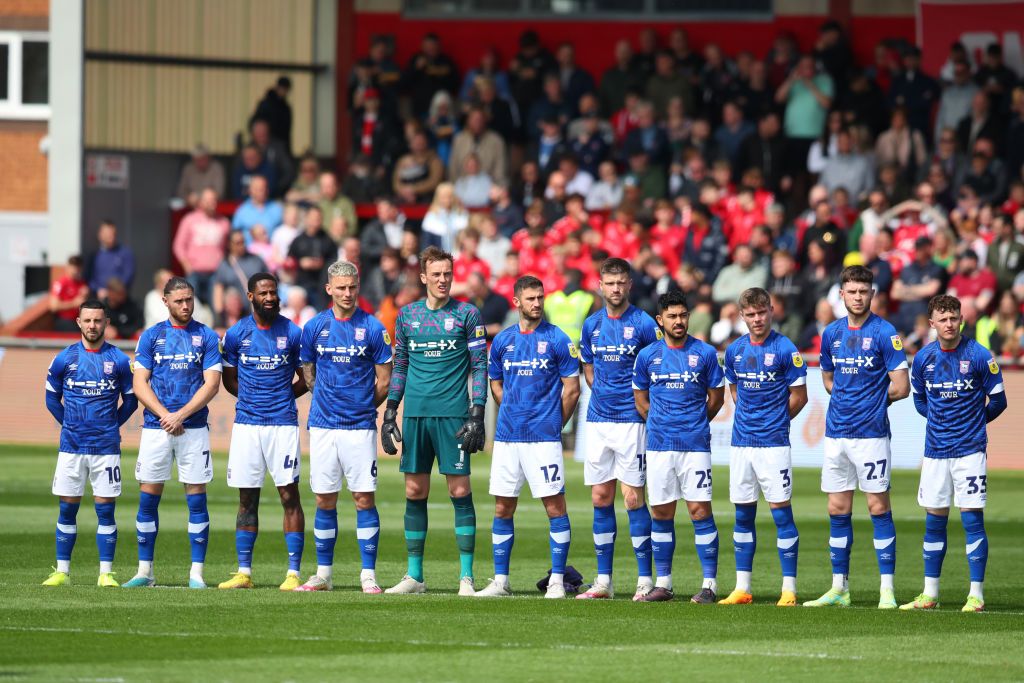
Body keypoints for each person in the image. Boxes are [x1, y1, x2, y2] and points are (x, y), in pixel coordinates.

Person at [381, 246, 488, 596]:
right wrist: (391, 410)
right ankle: (415, 576)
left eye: (447, 273)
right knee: (414, 490)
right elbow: (400, 365)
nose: (443, 280)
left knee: (459, 490)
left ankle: (466, 577)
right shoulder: (407, 315)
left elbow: (479, 366)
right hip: (415, 414)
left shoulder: (467, 314)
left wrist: (477, 411)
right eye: (436, 274)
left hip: (453, 415)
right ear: (423, 277)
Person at [805, 265, 910, 609]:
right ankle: (840, 588)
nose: (858, 297)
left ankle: (886, 591)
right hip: (836, 434)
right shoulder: (832, 333)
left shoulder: (885, 332)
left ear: (872, 294)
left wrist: (873, 401)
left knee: (878, 506)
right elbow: (828, 380)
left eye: (863, 291)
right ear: (841, 295)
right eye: (852, 291)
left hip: (871, 435)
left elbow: (902, 386)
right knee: (837, 507)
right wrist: (850, 400)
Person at [474, 276, 581, 598]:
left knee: (555, 507)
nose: (537, 303)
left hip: (543, 440)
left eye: (540, 297)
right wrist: (510, 408)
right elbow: (495, 382)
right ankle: (501, 581)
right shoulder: (504, 341)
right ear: (517, 302)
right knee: (503, 508)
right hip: (507, 438)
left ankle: (559, 581)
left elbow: (572, 389)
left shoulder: (559, 339)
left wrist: (552, 424)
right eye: (531, 298)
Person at [901, 294, 1007, 613]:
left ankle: (976, 595)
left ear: (961, 319)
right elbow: (919, 401)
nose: (949, 324)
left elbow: (999, 402)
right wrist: (939, 421)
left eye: (954, 318)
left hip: (969, 451)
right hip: (935, 452)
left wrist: (973, 422)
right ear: (931, 323)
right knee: (934, 521)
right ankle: (929, 593)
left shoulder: (978, 355)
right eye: (942, 319)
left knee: (972, 519)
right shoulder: (923, 359)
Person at [292, 261, 393, 593]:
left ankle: (368, 574)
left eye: (352, 287)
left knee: (364, 498)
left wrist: (363, 407)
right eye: (341, 287)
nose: (348, 293)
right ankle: (323, 574)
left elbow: (385, 380)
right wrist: (322, 395)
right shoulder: (314, 327)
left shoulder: (374, 328)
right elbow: (307, 371)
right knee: (324, 499)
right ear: (329, 289)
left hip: (360, 427)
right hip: (322, 426)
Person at [123, 277, 222, 589]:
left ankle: (196, 574)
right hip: (156, 428)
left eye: (189, 299)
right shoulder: (151, 337)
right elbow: (140, 383)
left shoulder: (205, 336)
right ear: (165, 301)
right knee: (148, 498)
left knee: (196, 498)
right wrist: (165, 415)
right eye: (179, 301)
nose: (186, 305)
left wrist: (181, 414)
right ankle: (144, 572)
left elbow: (212, 383)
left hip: (192, 428)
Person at [575, 258, 662, 601]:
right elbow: (588, 368)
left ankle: (644, 580)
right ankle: (603, 581)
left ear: (629, 285)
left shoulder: (643, 323)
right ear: (600, 285)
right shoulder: (591, 324)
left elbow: (657, 365)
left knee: (632, 498)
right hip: (598, 421)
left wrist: (640, 407)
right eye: (609, 283)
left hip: (631, 422)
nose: (615, 289)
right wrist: (603, 395)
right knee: (600, 497)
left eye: (620, 283)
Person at [632, 290, 725, 603]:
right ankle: (664, 584)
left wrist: (695, 422)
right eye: (672, 316)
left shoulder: (706, 354)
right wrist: (659, 421)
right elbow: (641, 399)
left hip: (694, 445)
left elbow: (716, 398)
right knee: (661, 512)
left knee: (699, 510)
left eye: (683, 315)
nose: (679, 321)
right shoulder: (647, 356)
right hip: (658, 445)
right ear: (660, 320)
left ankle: (709, 585)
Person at [719, 288, 808, 607]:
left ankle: (789, 589)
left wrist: (775, 422)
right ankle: (742, 587)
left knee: (781, 513)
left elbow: (800, 397)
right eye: (751, 314)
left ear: (772, 311)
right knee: (742, 515)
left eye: (762, 313)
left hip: (773, 446)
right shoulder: (734, 351)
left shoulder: (786, 349)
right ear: (742, 316)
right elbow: (734, 389)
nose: (757, 319)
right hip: (741, 444)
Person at [218, 273, 307, 590]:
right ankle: (244, 572)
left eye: (274, 292)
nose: (270, 298)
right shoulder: (236, 333)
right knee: (246, 498)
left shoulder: (293, 333)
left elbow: (306, 377)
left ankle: (293, 573)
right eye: (264, 293)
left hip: (282, 424)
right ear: (250, 296)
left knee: (289, 495)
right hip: (247, 426)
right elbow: (228, 380)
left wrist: (282, 397)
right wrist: (252, 400)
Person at [41, 300, 137, 587]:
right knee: (67, 509)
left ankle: (105, 573)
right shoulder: (64, 358)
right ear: (79, 323)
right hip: (71, 447)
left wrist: (110, 425)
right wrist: (70, 424)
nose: (92, 325)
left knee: (105, 511)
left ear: (106, 322)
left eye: (98, 320)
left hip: (106, 449)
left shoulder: (119, 360)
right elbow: (50, 399)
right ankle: (62, 571)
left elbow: (131, 401)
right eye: (88, 321)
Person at [173, 188, 230, 305]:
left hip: (216, 273)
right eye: (207, 200)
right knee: (191, 307)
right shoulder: (189, 220)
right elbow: (178, 245)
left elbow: (227, 248)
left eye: (213, 200)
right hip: (194, 272)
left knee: (216, 307)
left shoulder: (224, 223)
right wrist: (186, 265)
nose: (211, 203)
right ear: (201, 202)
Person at [212, 230, 269, 325]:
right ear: (230, 244)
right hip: (236, 316)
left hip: (257, 311)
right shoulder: (225, 265)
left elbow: (268, 282)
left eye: (243, 242)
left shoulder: (256, 260)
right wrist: (219, 317)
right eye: (238, 243)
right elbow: (218, 290)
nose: (242, 245)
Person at [287, 206, 337, 310]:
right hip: (302, 284)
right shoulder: (298, 240)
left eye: (319, 218)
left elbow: (334, 261)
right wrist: (300, 263)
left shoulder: (327, 240)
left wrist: (322, 264)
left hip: (321, 286)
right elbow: (289, 261)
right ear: (306, 218)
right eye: (313, 218)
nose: (316, 221)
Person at [85, 221, 135, 297]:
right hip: (98, 298)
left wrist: (113, 291)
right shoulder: (94, 255)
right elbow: (88, 277)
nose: (111, 236)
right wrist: (97, 289)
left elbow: (128, 274)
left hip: (119, 299)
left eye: (113, 233)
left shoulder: (125, 253)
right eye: (108, 233)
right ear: (100, 235)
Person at [231, 176, 283, 243]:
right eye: (258, 189)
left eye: (264, 188)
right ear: (250, 190)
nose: (262, 191)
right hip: (249, 251)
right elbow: (234, 235)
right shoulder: (241, 211)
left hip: (272, 251)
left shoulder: (277, 209)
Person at [250, 76, 293, 155]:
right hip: (265, 144)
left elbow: (287, 132)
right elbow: (255, 122)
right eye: (282, 88)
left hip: (280, 145)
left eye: (286, 89)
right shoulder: (266, 104)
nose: (284, 92)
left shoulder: (286, 108)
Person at [49, 255, 88, 332]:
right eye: (73, 266)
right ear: (68, 267)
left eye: (78, 266)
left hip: (79, 320)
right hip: (65, 320)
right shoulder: (61, 283)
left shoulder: (82, 284)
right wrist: (73, 303)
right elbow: (53, 306)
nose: (75, 270)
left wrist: (86, 295)